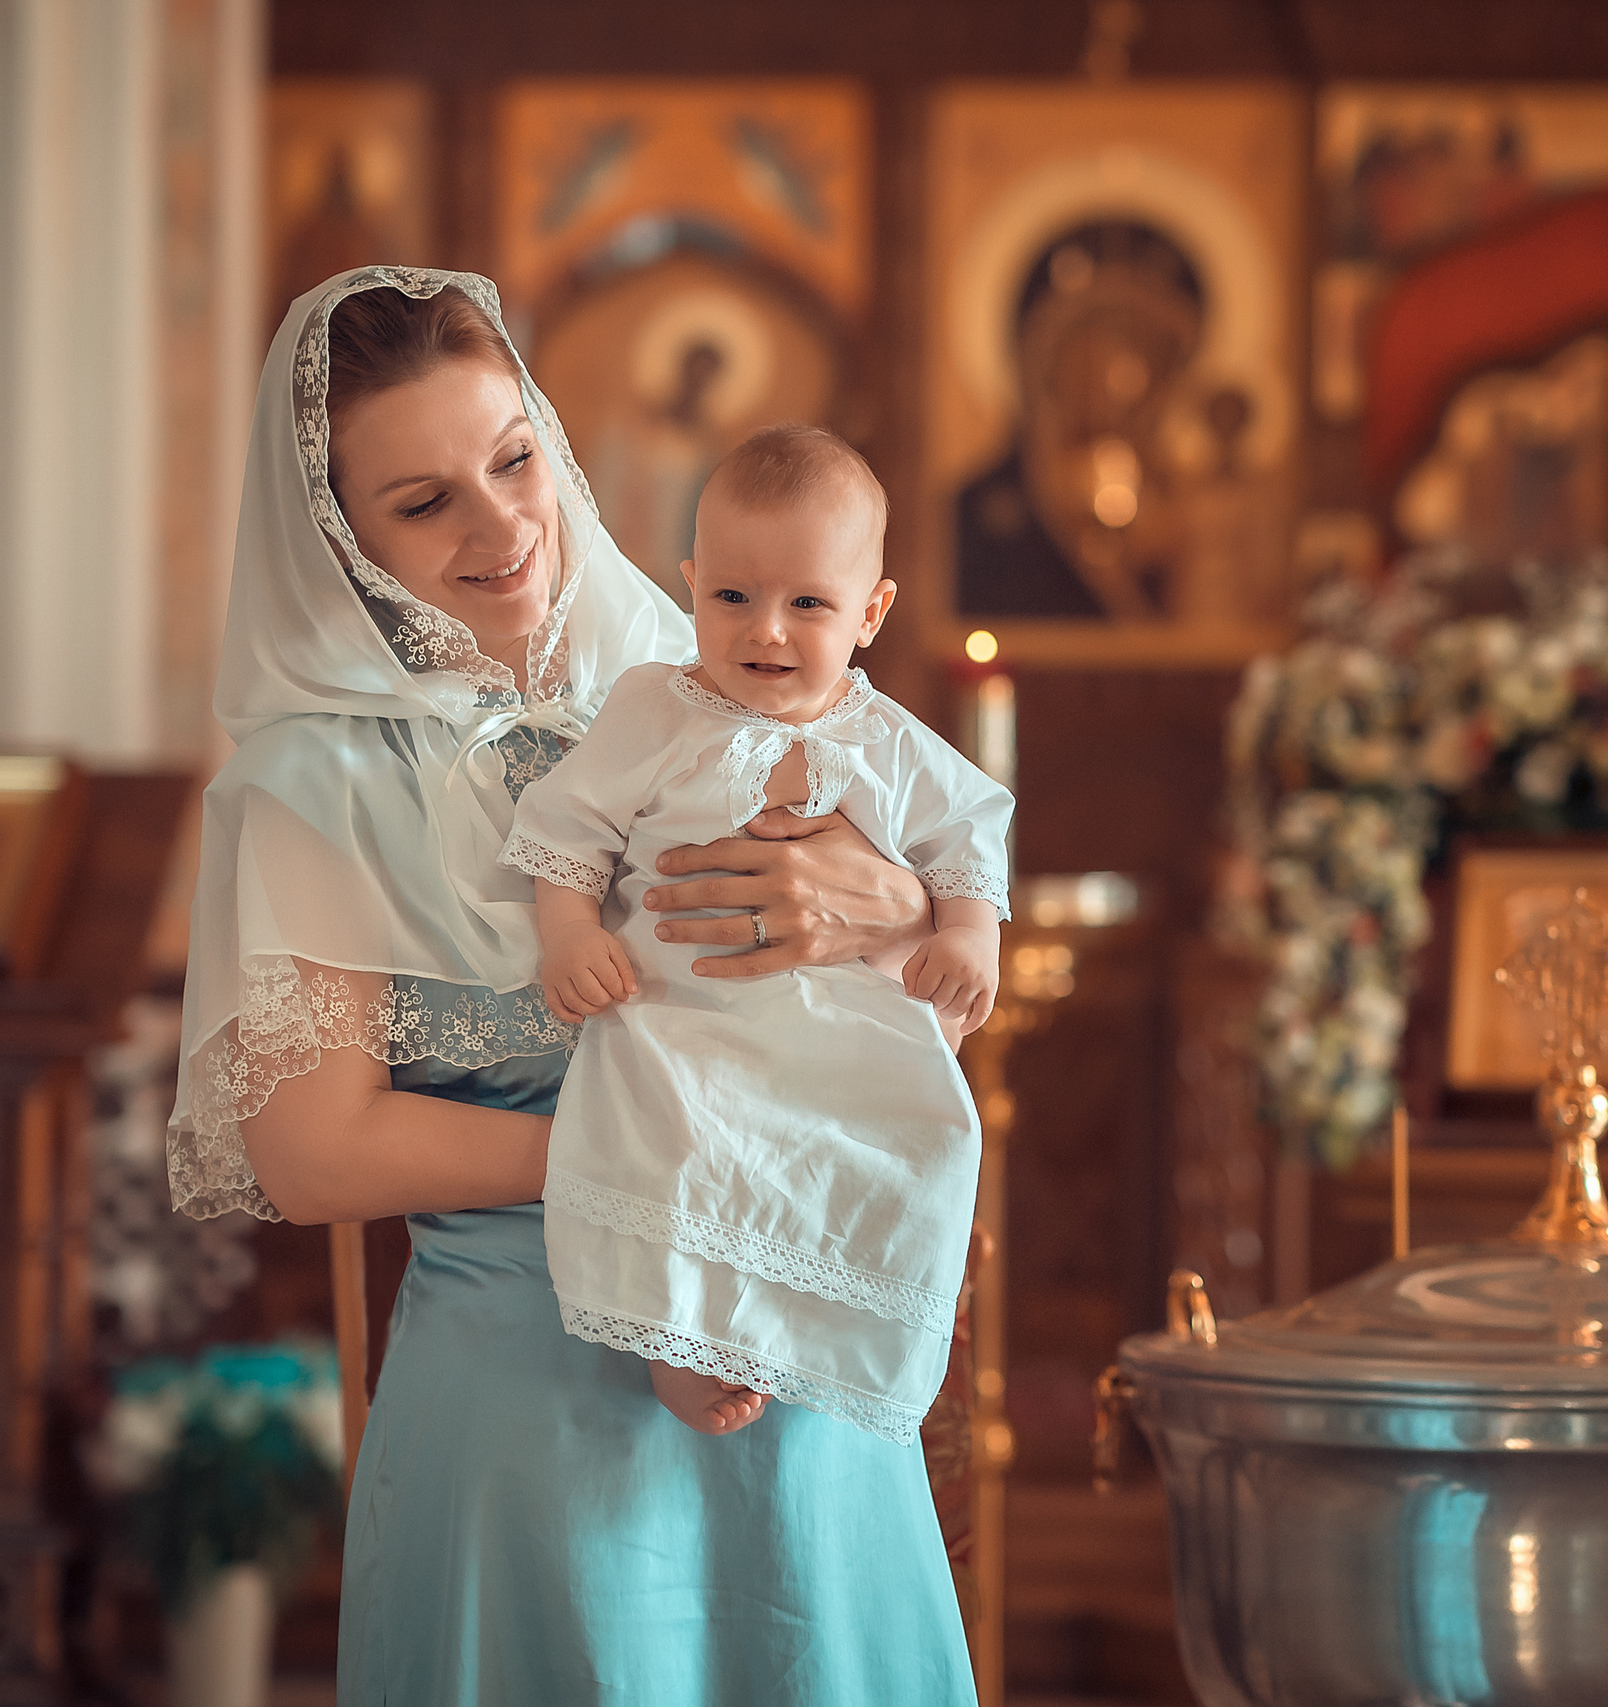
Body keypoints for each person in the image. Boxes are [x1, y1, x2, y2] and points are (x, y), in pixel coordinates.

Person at [167, 266, 978, 1705]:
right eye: (424, 502)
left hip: (794, 1338)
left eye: (513, 459)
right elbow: (310, 1151)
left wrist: (905, 906)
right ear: (344, 542)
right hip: (538, 1400)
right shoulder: (314, 784)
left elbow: (930, 917)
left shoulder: (709, 662)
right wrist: (665, 1165)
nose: (502, 527)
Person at [504, 424, 1009, 1440]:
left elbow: (968, 834)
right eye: (732, 596)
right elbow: (566, 832)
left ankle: (825, 1327)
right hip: (682, 1017)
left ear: (870, 612)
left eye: (807, 604)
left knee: (923, 1137)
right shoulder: (655, 711)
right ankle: (678, 1344)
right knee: (676, 1142)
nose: (766, 631)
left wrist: (967, 936)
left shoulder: (886, 739)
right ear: (691, 586)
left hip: (835, 1036)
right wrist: (569, 936)